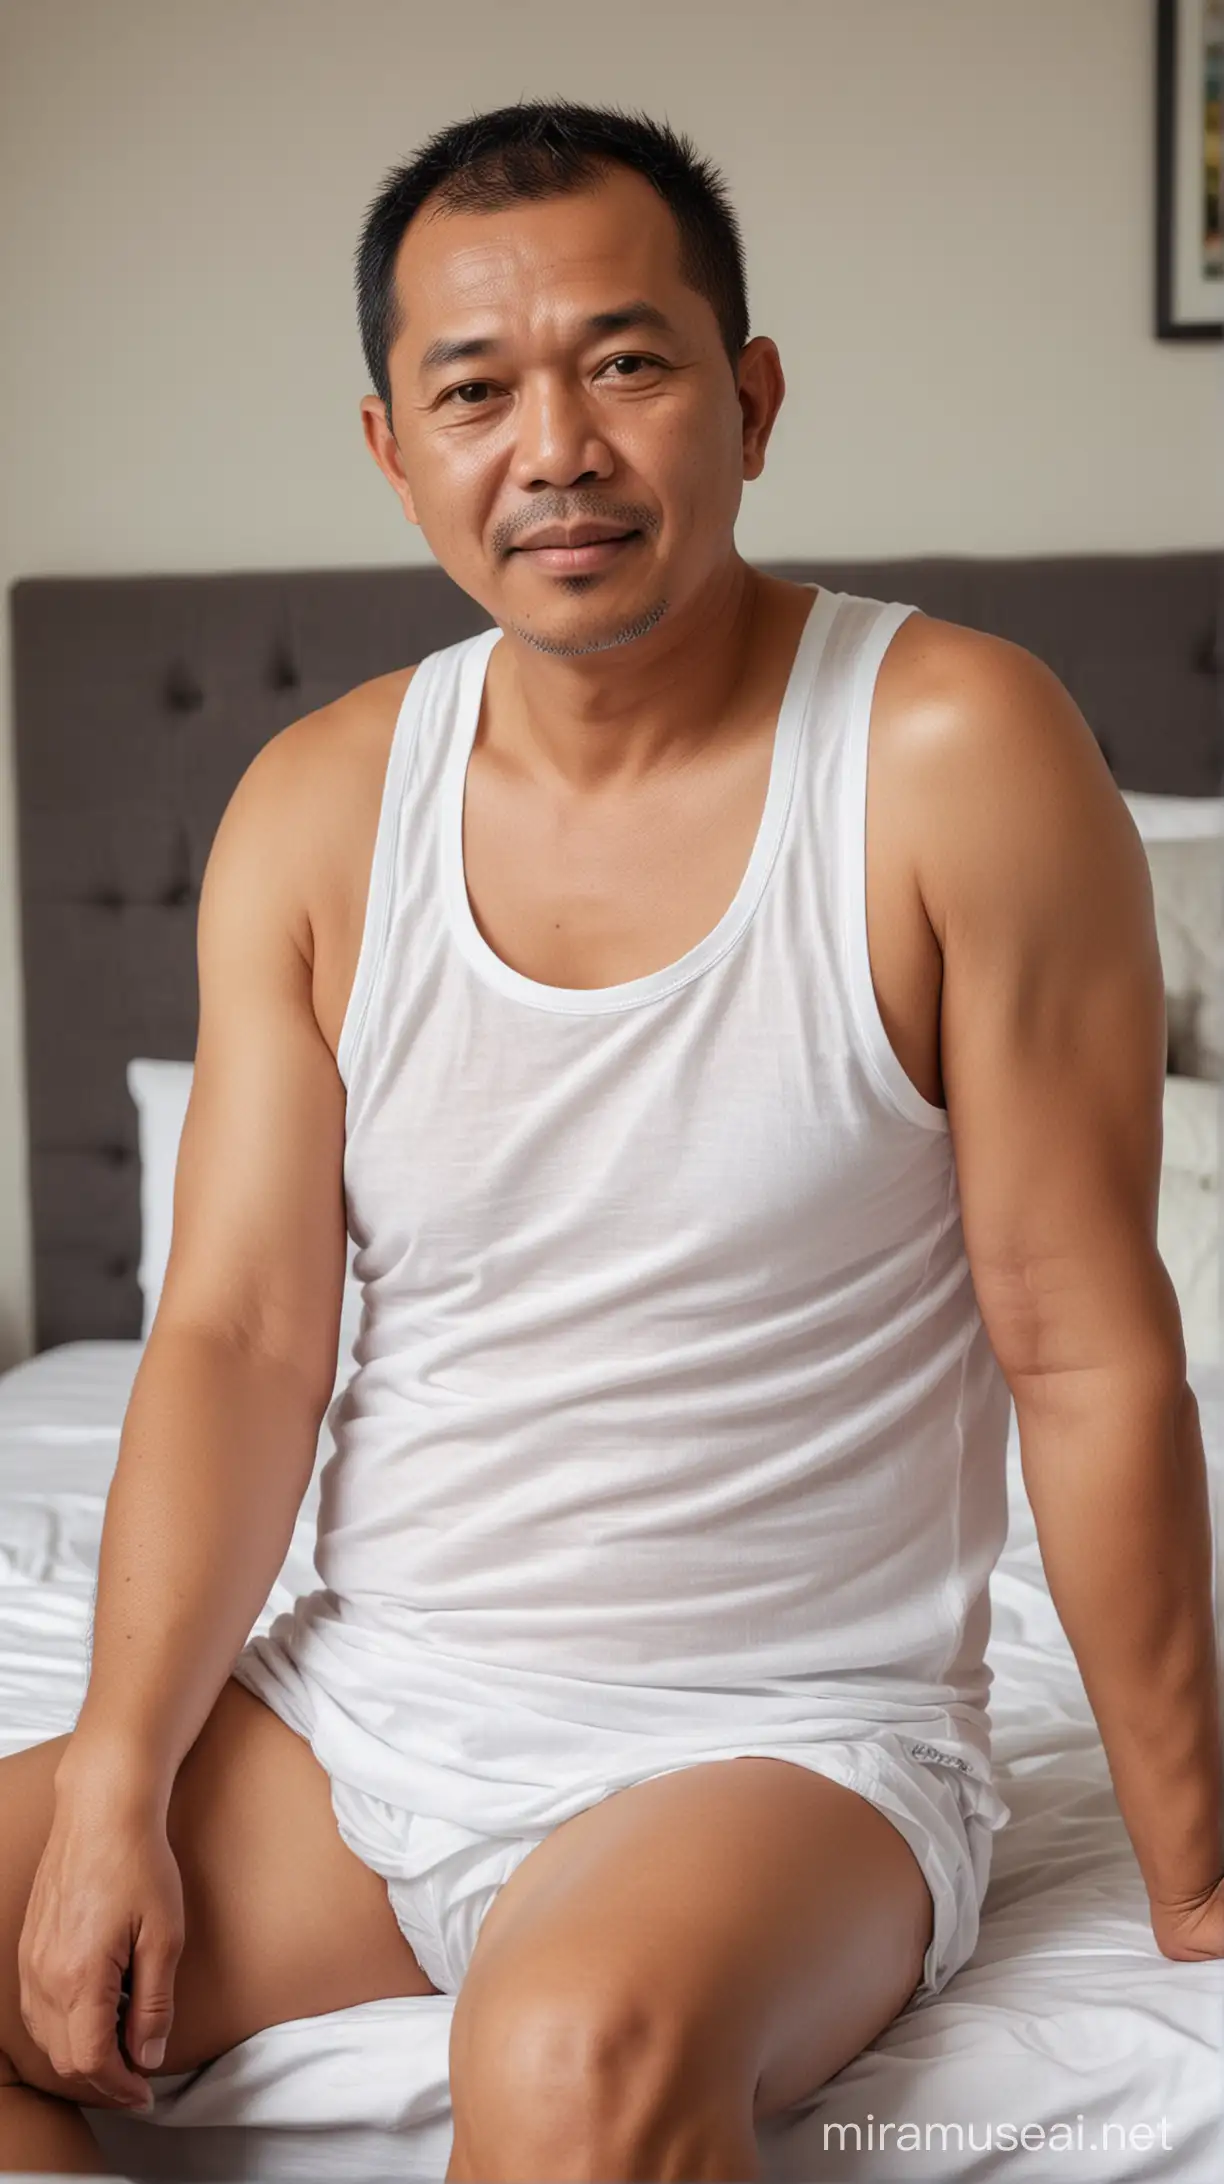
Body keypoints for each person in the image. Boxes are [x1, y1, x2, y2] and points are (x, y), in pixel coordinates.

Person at [2, 96, 1221, 2184]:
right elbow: (231, 1346)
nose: (553, 446)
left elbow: (1083, 1345)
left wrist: (1197, 1880)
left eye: (627, 364)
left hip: (781, 1747)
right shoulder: (317, 806)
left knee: (559, 2056)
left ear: (747, 400)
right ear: (395, 448)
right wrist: (119, 1778)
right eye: (473, 389)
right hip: (370, 1720)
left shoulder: (952, 750)